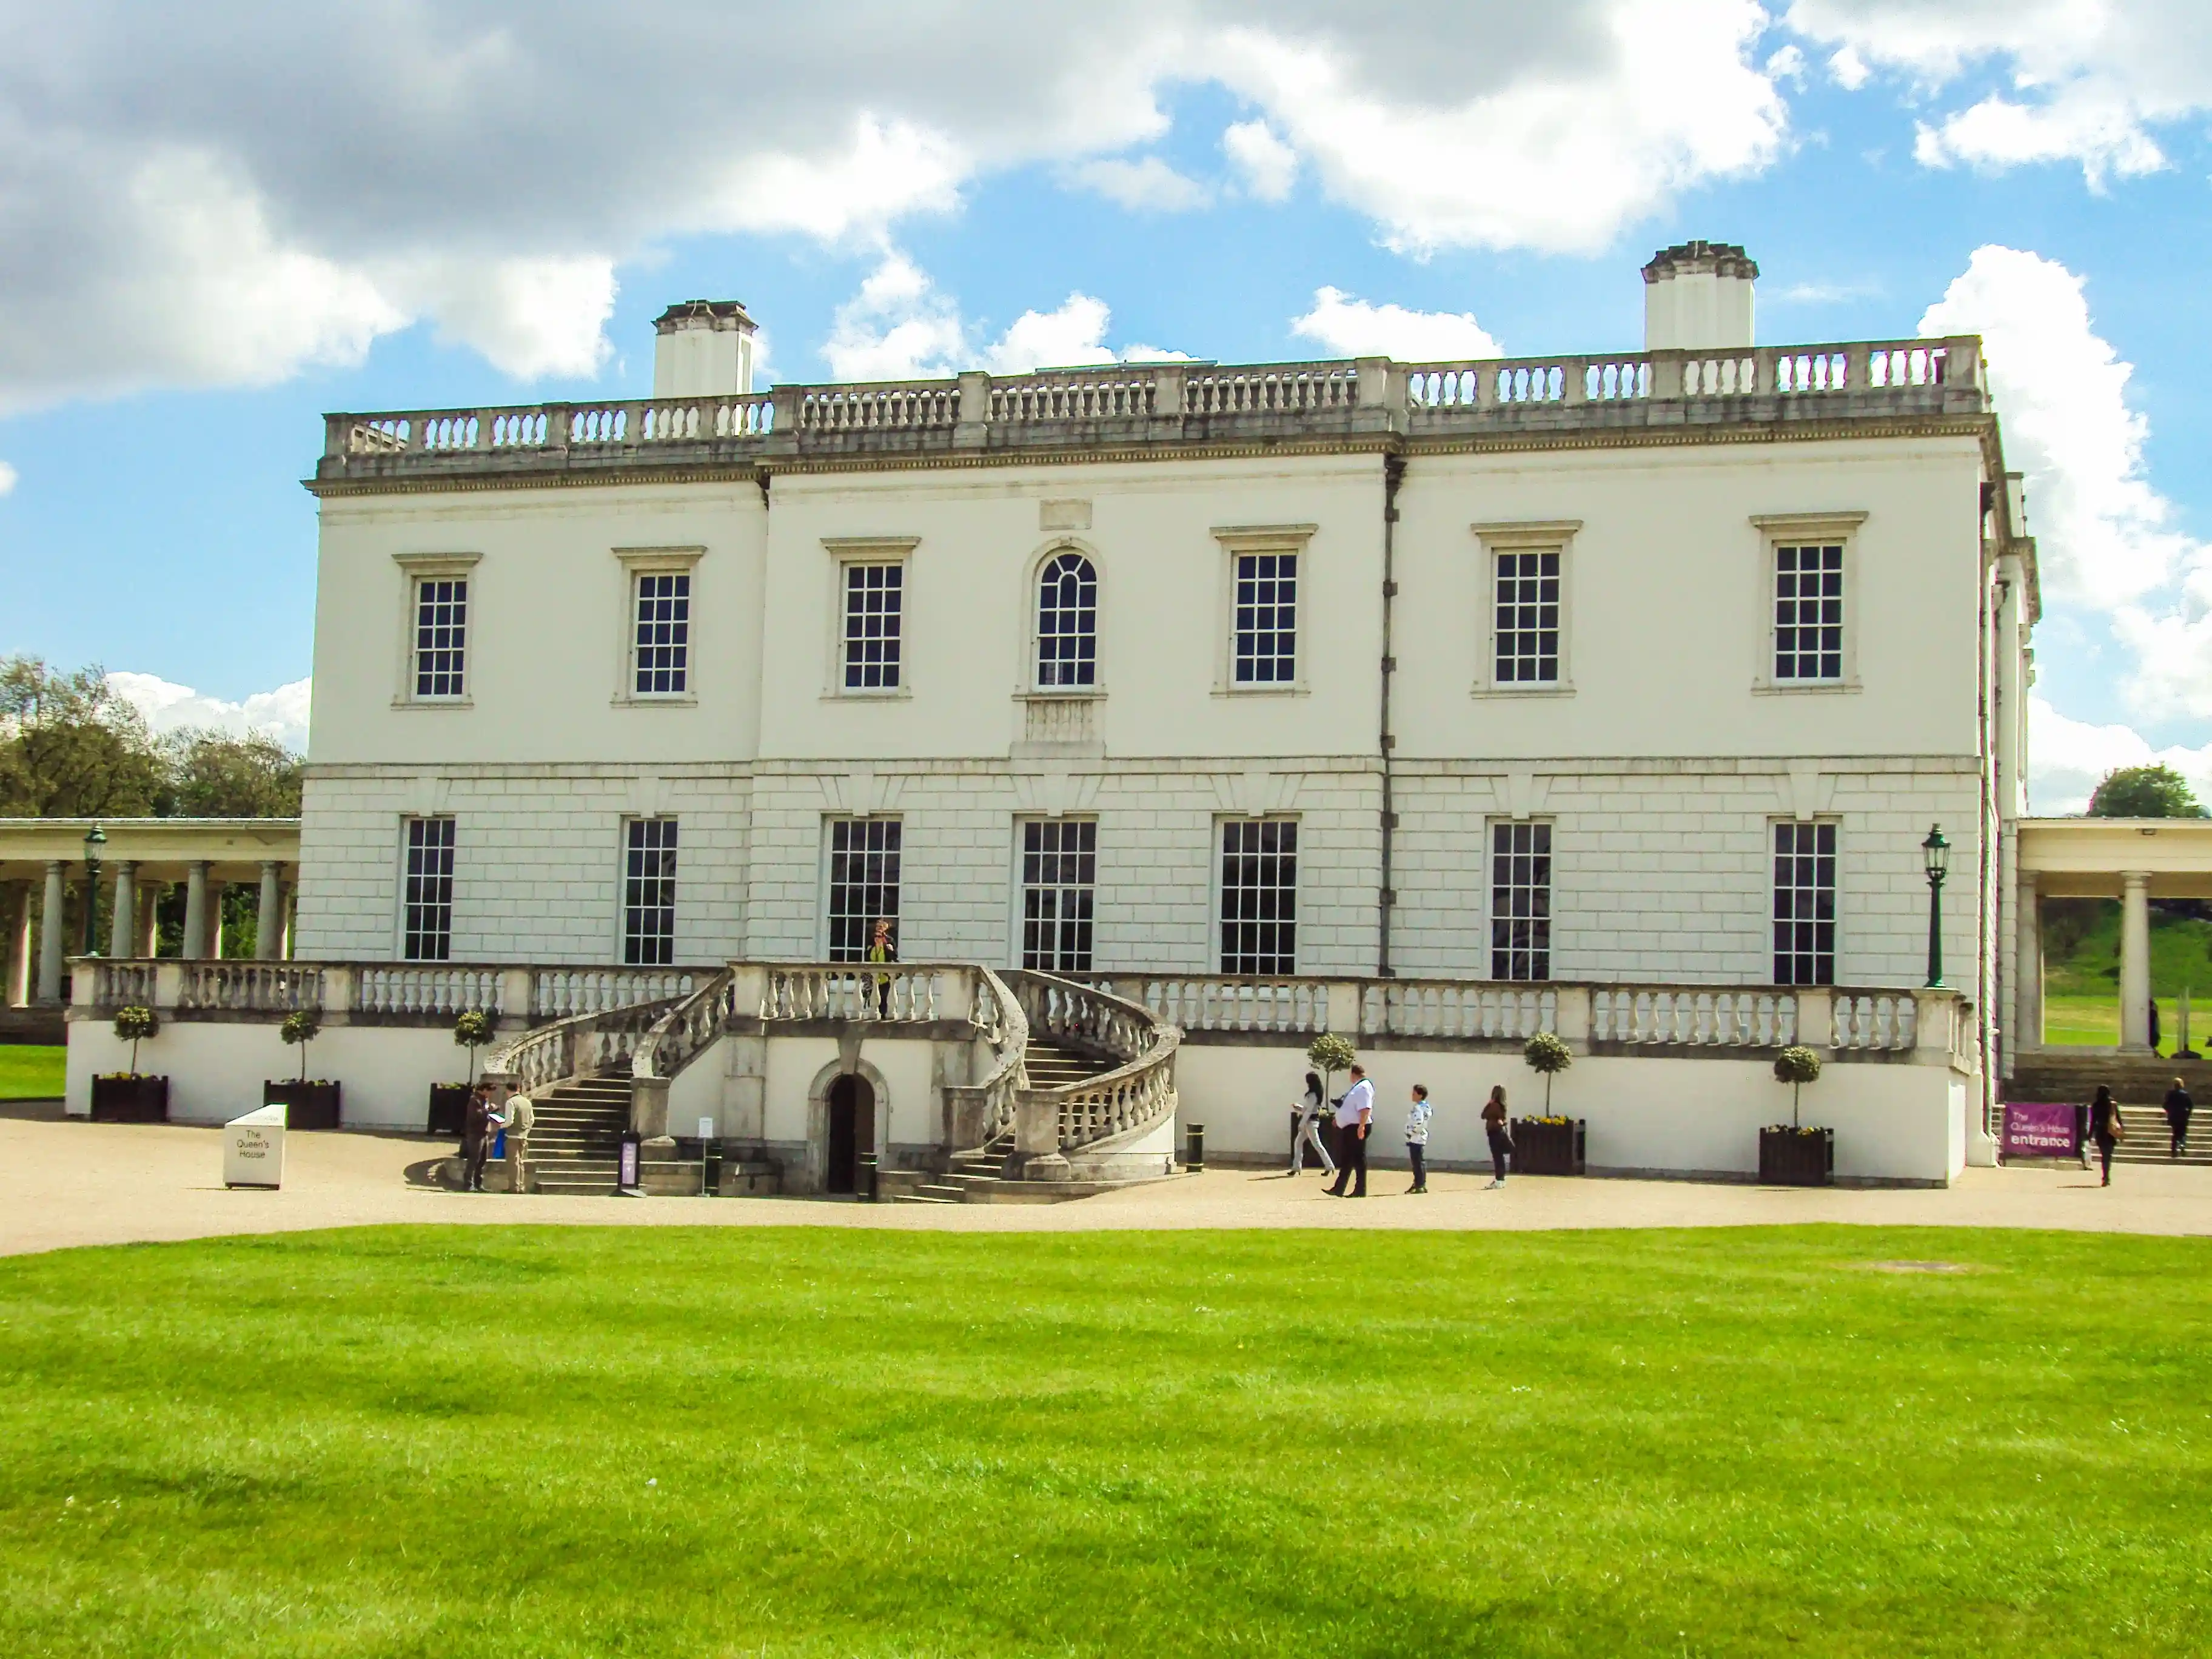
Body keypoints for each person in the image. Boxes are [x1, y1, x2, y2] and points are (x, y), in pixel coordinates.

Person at [1326, 1064, 1373, 1198]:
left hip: (1357, 1126)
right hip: (1352, 1126)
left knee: (1357, 1158)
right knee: (1349, 1157)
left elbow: (1365, 1108)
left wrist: (1361, 1126)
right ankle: (1339, 1188)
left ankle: (1359, 1189)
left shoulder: (1363, 1088)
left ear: (1353, 1074)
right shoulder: (1358, 1087)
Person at [1290, 1070, 1335, 1177]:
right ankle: (1296, 1167)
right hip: (1310, 1121)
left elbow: (1309, 1111)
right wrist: (1299, 1108)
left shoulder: (1313, 1095)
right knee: (1299, 1143)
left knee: (1316, 1144)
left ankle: (1329, 1166)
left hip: (1310, 1122)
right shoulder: (1314, 1094)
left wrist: (1301, 1124)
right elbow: (1308, 1109)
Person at [2089, 1084, 2125, 1187]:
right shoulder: (2112, 1104)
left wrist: (2090, 1134)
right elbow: (2118, 1119)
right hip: (2111, 1132)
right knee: (2108, 1156)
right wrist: (2121, 1132)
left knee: (2104, 1155)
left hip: (2101, 1132)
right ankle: (2106, 1176)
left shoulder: (2096, 1105)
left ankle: (2105, 1176)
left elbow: (2093, 1121)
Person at [461, 1087, 494, 1193]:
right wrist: (488, 1110)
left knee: (482, 1160)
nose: (490, 1094)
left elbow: (486, 1115)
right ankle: (468, 1184)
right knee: (474, 1159)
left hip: (484, 1133)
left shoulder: (485, 1100)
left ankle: (478, 1183)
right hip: (475, 1134)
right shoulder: (474, 1100)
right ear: (484, 1089)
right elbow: (476, 1115)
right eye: (489, 1091)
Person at [1481, 1084, 1512, 1188]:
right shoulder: (1503, 1106)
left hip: (1494, 1132)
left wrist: (1489, 1104)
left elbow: (1483, 1115)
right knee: (1500, 1157)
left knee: (1497, 1157)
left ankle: (1498, 1180)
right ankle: (1501, 1180)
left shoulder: (1494, 1106)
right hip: (1500, 1132)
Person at [1404, 1084, 1432, 1195]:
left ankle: (1420, 1184)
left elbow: (1419, 1123)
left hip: (1416, 1138)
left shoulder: (1419, 1108)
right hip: (1419, 1137)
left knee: (1417, 1162)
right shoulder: (1425, 1107)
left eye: (1414, 1093)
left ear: (1420, 1095)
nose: (1412, 1095)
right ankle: (1418, 1183)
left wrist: (1410, 1133)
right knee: (1418, 1161)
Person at [868, 917, 897, 1017]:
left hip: (885, 975)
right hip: (873, 974)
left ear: (886, 928)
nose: (878, 929)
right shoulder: (872, 939)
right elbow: (867, 956)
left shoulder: (889, 940)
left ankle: (884, 1015)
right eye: (877, 927)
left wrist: (890, 950)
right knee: (873, 997)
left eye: (881, 927)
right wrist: (872, 947)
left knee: (885, 997)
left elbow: (894, 957)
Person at [2164, 1076, 2193, 1159]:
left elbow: (2165, 1105)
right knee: (2183, 1133)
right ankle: (2182, 1145)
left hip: (2173, 1116)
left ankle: (2174, 1150)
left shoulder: (2170, 1094)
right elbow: (2190, 1105)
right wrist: (2188, 1114)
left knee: (2175, 1133)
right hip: (2183, 1116)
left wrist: (2170, 1111)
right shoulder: (2185, 1094)